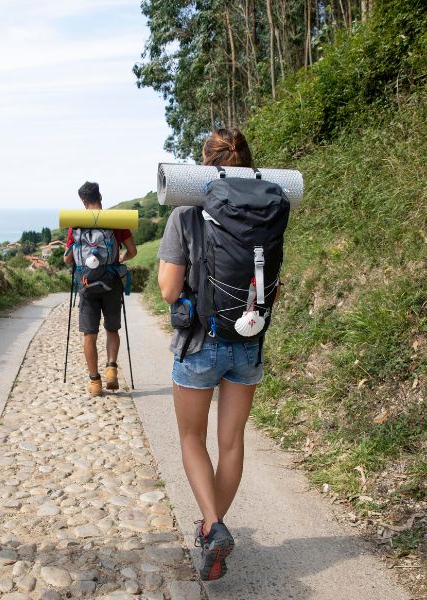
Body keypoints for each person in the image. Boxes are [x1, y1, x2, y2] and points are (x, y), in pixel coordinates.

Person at [155, 128, 263, 582]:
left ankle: (212, 525)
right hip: (249, 339)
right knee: (232, 443)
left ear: (204, 166)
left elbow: (167, 289)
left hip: (199, 343)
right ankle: (211, 528)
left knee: (191, 440)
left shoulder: (186, 214)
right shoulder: (266, 211)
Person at [63, 182, 137, 395]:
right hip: (111, 282)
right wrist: (120, 258)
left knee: (89, 334)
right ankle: (111, 368)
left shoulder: (76, 224)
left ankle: (95, 382)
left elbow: (68, 260)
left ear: (83, 201)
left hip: (86, 285)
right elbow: (132, 250)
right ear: (100, 197)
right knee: (112, 329)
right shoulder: (116, 221)